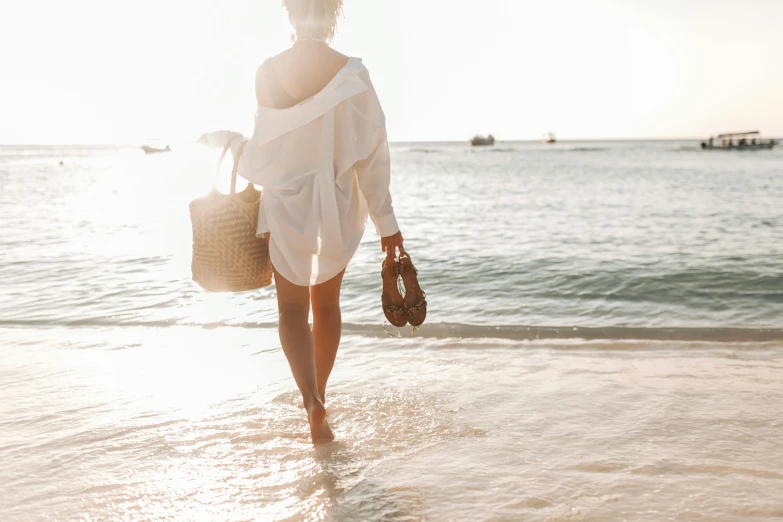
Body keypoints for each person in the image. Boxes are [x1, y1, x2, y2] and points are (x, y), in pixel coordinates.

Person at [201, 0, 403, 444]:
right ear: (333, 16)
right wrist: (386, 224)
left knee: (291, 310)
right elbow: (373, 156)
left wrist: (231, 143)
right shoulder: (354, 75)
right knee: (326, 305)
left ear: (290, 13)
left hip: (286, 205)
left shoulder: (267, 73)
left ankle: (310, 399)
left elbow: (264, 153)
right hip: (336, 205)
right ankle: (322, 395)